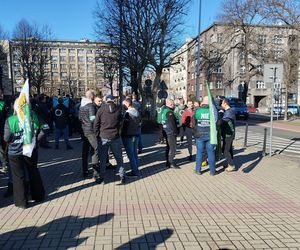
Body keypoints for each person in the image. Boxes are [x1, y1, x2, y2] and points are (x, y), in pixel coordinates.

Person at [4, 99, 45, 209]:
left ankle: (21, 202)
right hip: (30, 150)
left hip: (15, 152)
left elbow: (6, 138)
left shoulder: (11, 120)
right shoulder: (33, 116)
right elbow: (43, 130)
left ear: (15, 107)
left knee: (18, 177)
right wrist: (35, 142)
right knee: (33, 171)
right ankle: (38, 195)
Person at [94, 95, 125, 184]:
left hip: (103, 136)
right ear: (113, 100)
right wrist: (119, 133)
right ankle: (122, 176)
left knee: (103, 159)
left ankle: (102, 178)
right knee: (119, 158)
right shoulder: (118, 109)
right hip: (115, 136)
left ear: (106, 100)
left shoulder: (101, 110)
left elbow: (96, 124)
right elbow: (121, 123)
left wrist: (97, 135)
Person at [79, 90, 102, 182]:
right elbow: (93, 119)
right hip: (91, 131)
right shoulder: (91, 106)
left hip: (84, 130)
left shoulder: (81, 105)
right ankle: (96, 174)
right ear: (92, 97)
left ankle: (85, 171)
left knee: (85, 151)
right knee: (95, 150)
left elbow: (79, 118)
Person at [193, 96, 218, 176]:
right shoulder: (213, 111)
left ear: (203, 102)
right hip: (210, 135)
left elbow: (194, 123)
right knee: (211, 152)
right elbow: (217, 122)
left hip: (199, 135)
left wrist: (195, 132)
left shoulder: (197, 111)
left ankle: (198, 170)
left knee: (199, 152)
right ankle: (212, 171)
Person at [122, 97, 141, 177]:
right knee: (134, 154)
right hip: (136, 135)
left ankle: (134, 172)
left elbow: (124, 126)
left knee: (131, 155)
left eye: (124, 104)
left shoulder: (127, 114)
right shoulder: (137, 112)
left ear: (127, 104)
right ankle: (136, 169)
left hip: (128, 136)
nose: (122, 105)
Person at [161, 98, 179, 169]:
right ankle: (171, 162)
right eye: (173, 103)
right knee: (172, 148)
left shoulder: (164, 110)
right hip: (170, 132)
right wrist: (176, 132)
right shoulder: (169, 112)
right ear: (170, 104)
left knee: (168, 147)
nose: (174, 104)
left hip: (166, 131)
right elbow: (173, 123)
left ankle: (168, 162)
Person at [219, 98, 236, 172]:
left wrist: (219, 116)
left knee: (225, 150)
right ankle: (229, 163)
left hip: (228, 134)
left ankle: (232, 165)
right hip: (228, 134)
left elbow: (223, 121)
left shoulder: (229, 112)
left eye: (222, 103)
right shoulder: (228, 111)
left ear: (225, 103)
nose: (221, 105)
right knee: (229, 149)